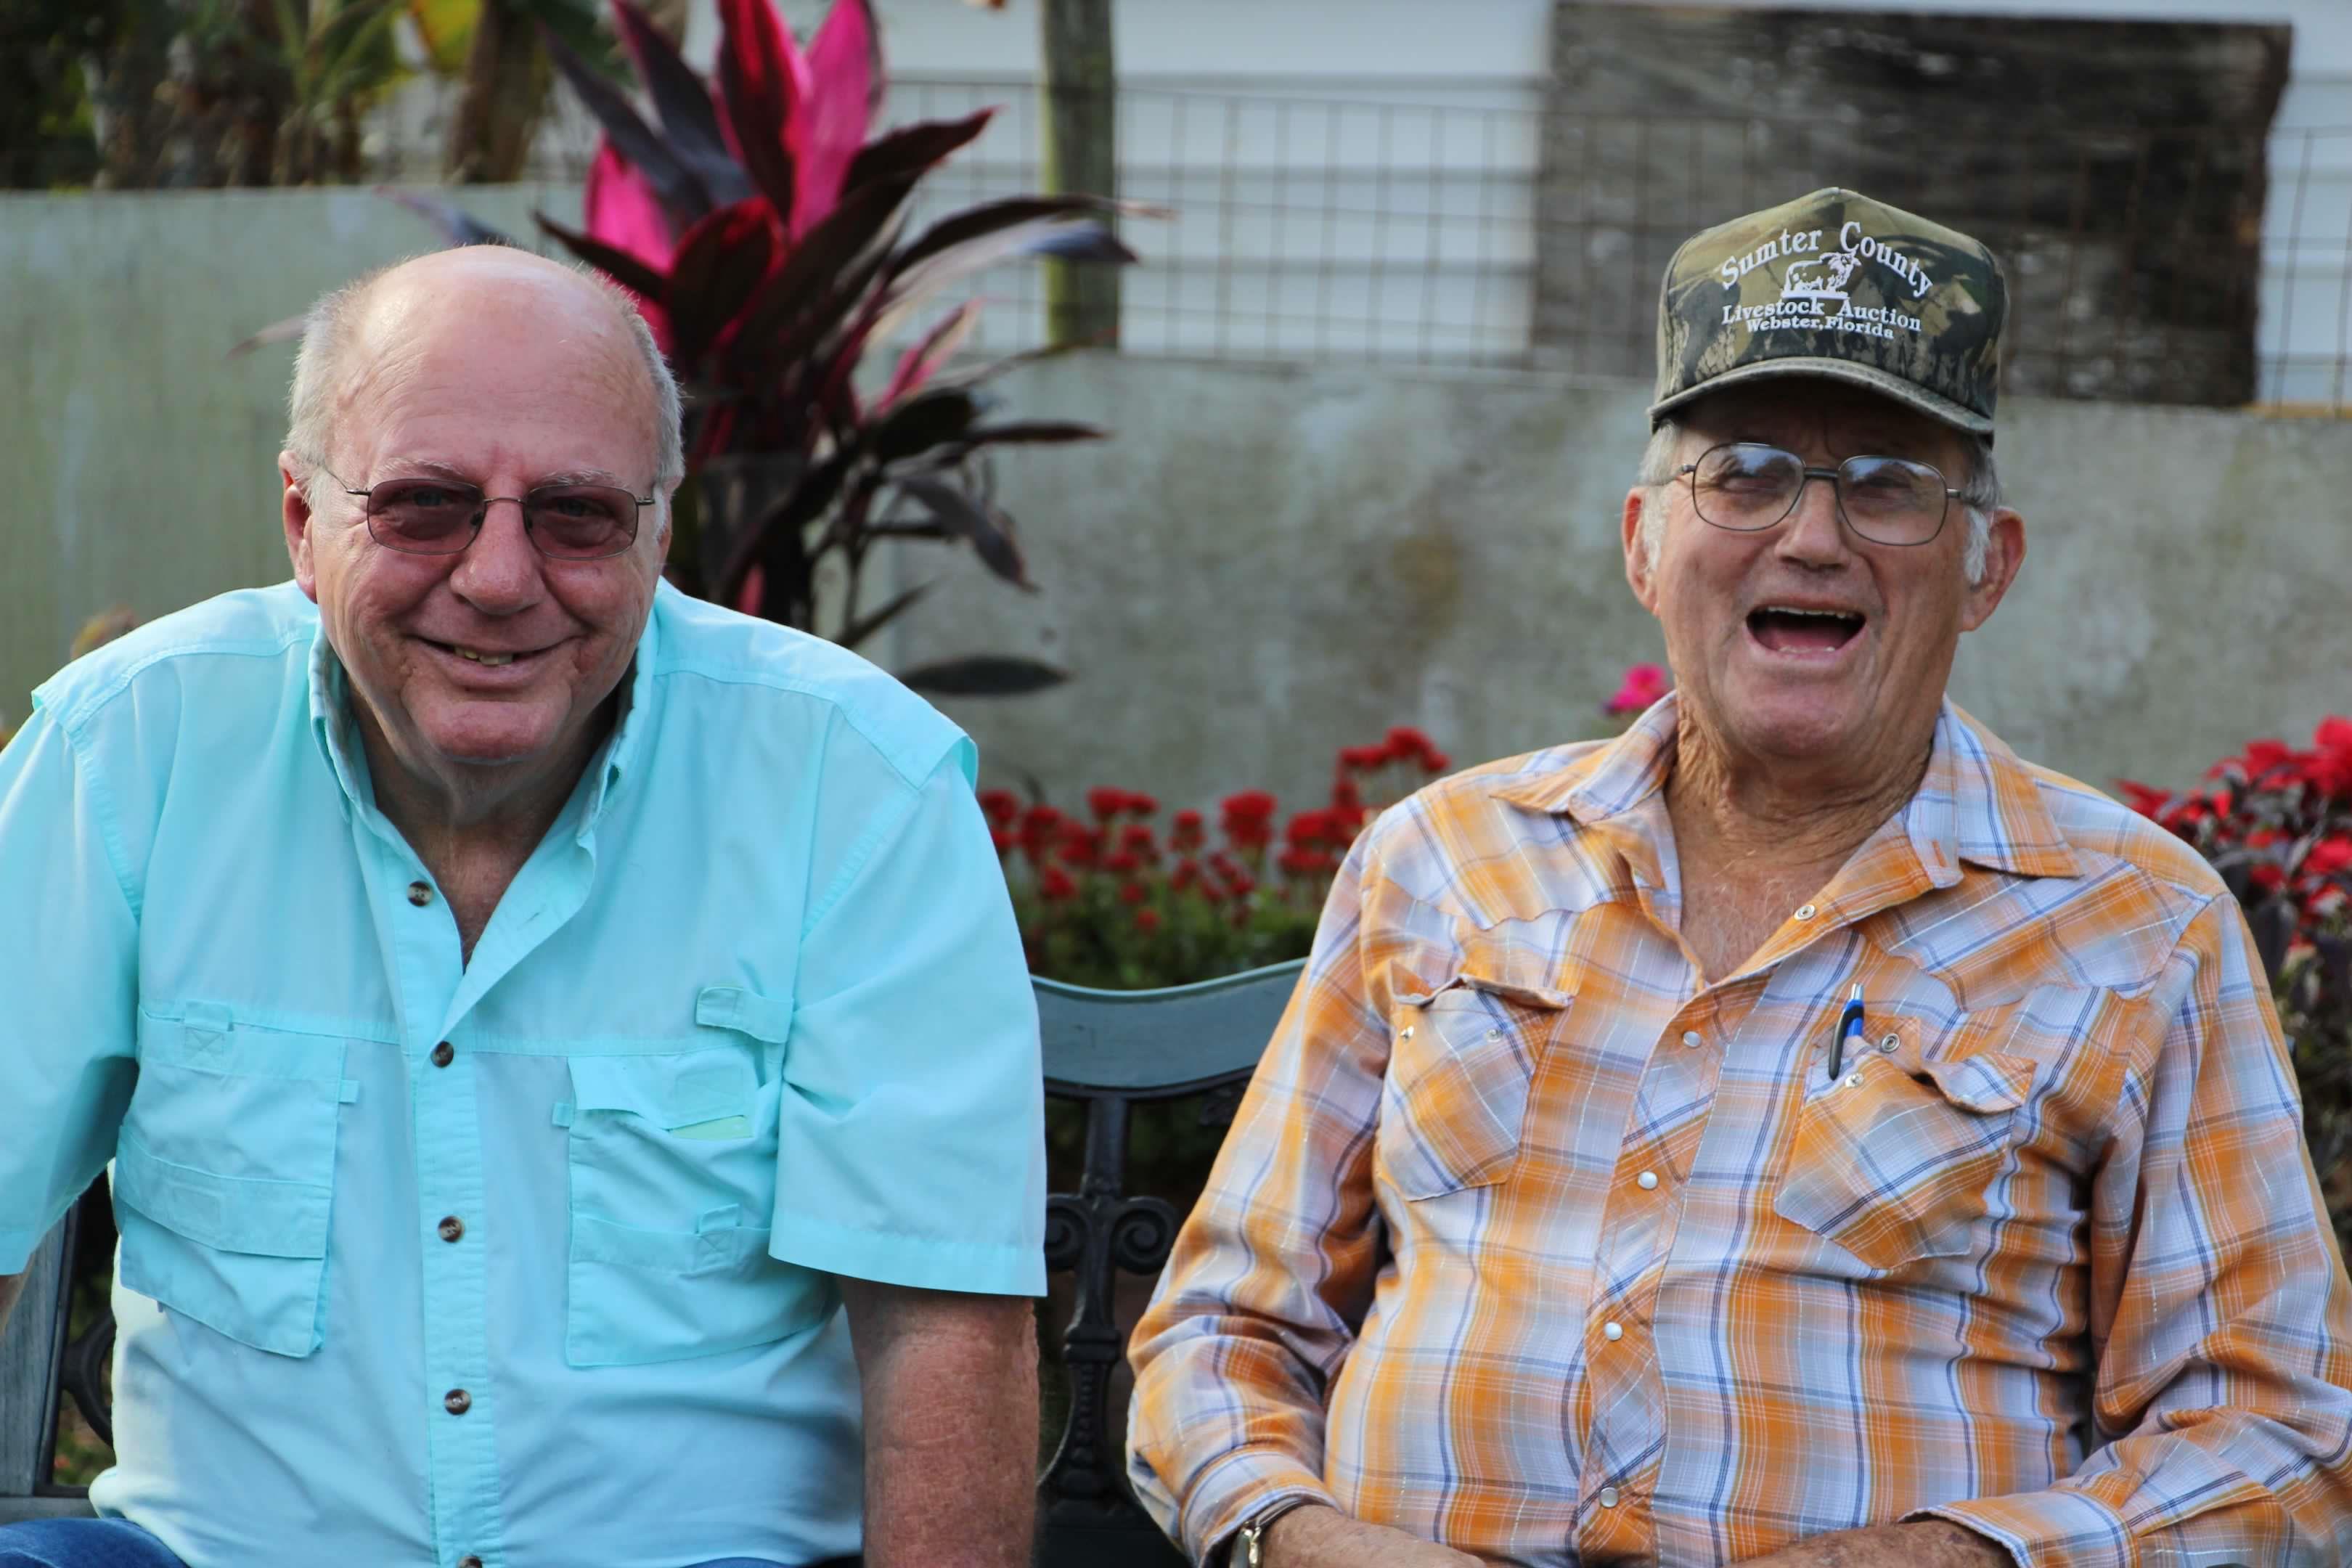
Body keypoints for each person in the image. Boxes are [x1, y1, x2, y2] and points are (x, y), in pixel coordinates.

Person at [1126, 188, 2352, 1567]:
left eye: (1889, 483)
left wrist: (1927, 1560)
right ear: (1644, 541)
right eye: (1747, 469)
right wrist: (1301, 1540)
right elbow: (1224, 1324)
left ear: (1986, 568)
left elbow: (2275, 1438)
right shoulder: (1442, 859)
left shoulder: (2140, 926)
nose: (1813, 536)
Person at [0, 245, 1046, 1568]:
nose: (498, 578)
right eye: (424, 506)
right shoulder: (127, 751)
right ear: (302, 525)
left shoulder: (855, 784)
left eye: (576, 515)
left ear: (659, 532)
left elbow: (941, 1324)